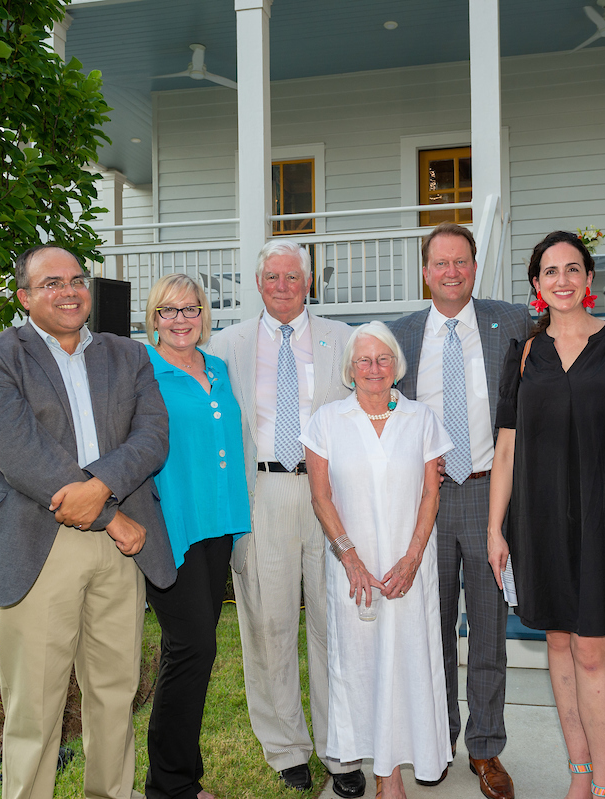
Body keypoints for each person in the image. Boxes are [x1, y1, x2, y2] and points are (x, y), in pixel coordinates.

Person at [0, 245, 175, 799]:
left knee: (115, 695)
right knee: (35, 705)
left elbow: (152, 438)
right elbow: (18, 450)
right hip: (37, 542)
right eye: (51, 283)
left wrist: (102, 498)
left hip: (120, 548)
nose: (69, 291)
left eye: (76, 279)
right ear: (24, 296)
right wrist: (112, 517)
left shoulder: (130, 356)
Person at [487, 231, 605, 799]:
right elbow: (505, 447)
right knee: (558, 643)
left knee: (591, 647)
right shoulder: (524, 353)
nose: (562, 280)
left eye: (572, 269)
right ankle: (579, 772)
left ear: (588, 279)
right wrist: (494, 527)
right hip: (538, 518)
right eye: (550, 271)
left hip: (603, 517)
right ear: (536, 285)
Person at [207, 240, 364, 798]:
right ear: (258, 283)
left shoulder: (345, 340)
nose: (282, 285)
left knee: (334, 627)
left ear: (309, 281)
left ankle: (339, 747)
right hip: (262, 495)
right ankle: (285, 747)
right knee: (268, 625)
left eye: (292, 276)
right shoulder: (225, 345)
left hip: (330, 498)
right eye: (271, 276)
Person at [388, 222, 530, 799]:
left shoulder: (512, 323)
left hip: (488, 494)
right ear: (425, 272)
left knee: (490, 631)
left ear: (475, 267)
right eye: (440, 263)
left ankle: (486, 749)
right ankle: (438, 737)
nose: (451, 272)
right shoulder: (400, 335)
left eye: (461, 262)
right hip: (425, 500)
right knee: (433, 629)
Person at [301, 322, 453, 799]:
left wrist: (412, 558)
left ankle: (397, 773)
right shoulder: (327, 420)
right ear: (349, 369)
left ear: (396, 366)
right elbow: (321, 496)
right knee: (363, 664)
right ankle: (386, 777)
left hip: (409, 565)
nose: (373, 368)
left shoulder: (421, 418)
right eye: (363, 360)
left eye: (382, 359)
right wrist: (349, 559)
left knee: (409, 661)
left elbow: (432, 492)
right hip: (355, 567)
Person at [141, 273, 251, 799]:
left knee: (190, 651)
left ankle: (176, 778)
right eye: (168, 311)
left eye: (190, 309)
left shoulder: (220, 369)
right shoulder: (143, 371)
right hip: (171, 529)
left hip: (217, 528)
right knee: (192, 648)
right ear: (154, 319)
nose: (180, 320)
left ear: (204, 315)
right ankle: (171, 786)